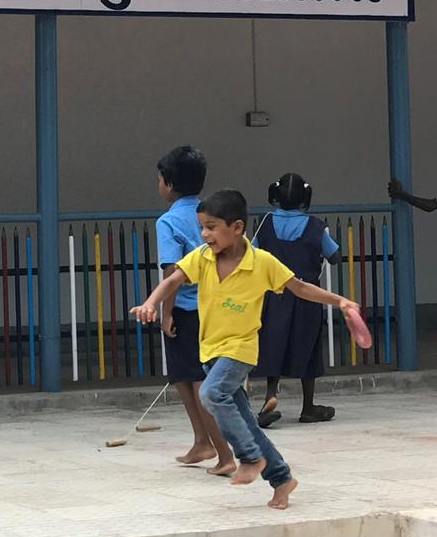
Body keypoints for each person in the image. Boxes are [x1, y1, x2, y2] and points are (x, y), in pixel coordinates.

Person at [132, 190, 358, 510]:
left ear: (236, 228)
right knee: (248, 423)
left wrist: (340, 301)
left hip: (240, 349)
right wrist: (151, 303)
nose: (204, 235)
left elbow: (300, 287)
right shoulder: (202, 257)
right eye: (202, 228)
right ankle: (282, 479)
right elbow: (173, 279)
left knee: (210, 395)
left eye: (211, 227)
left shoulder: (261, 262)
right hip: (210, 350)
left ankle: (250, 458)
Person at [153, 146, 235, 476]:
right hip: (214, 306)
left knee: (198, 380)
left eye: (159, 178)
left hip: (187, 308)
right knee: (184, 377)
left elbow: (172, 270)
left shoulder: (169, 220)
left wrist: (166, 311)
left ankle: (225, 454)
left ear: (169, 183)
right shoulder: (210, 213)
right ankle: (202, 441)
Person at [252, 173, 342, 428]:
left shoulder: (265, 223)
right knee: (309, 348)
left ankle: (271, 396)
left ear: (275, 196)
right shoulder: (316, 226)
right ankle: (308, 406)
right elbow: (335, 256)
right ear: (306, 197)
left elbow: (253, 252)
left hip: (273, 294)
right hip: (307, 295)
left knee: (272, 343)